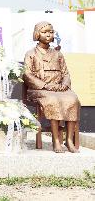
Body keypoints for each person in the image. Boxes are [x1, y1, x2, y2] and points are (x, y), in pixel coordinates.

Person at [23, 21, 80, 153]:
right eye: (44, 32)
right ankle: (56, 140)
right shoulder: (31, 53)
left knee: (73, 99)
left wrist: (65, 84)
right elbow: (27, 74)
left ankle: (69, 140)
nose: (48, 35)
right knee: (53, 100)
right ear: (37, 34)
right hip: (39, 90)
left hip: (59, 88)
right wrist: (45, 85)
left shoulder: (58, 54)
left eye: (51, 32)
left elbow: (65, 72)